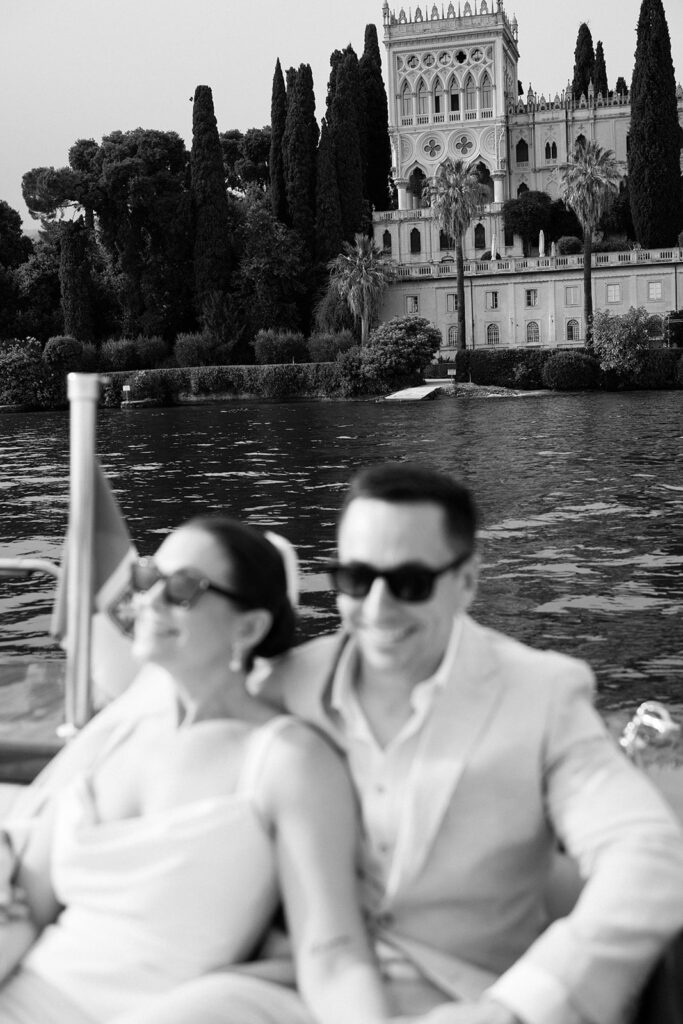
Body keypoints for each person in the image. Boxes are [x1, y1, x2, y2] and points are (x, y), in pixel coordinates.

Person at [160, 461, 683, 1024]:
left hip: (467, 997)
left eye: (410, 583)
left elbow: (651, 857)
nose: (379, 608)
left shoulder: (543, 694)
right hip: (300, 981)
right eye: (357, 580)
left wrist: (521, 1007)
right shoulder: (285, 684)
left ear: (467, 581)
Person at [0, 516, 392, 1024]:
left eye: (183, 587)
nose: (151, 600)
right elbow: (27, 905)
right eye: (147, 578)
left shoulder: (285, 760)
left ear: (248, 626)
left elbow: (332, 952)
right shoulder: (115, 738)